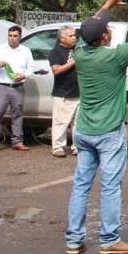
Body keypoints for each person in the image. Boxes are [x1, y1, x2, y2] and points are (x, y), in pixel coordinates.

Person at [65, 0, 128, 254]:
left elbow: (89, 28)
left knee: (81, 184)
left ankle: (74, 240)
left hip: (84, 129)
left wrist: (109, 2)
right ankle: (109, 240)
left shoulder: (81, 53)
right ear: (104, 37)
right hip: (108, 132)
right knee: (110, 185)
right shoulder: (114, 57)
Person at [0, 24, 33, 151]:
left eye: (15, 36)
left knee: (17, 114)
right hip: (2, 86)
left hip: (17, 86)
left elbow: (31, 67)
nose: (12, 38)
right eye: (10, 36)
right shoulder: (0, 49)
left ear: (20, 37)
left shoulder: (26, 51)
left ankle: (17, 141)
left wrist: (24, 75)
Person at [49, 25, 80, 157]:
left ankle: (77, 146)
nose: (74, 38)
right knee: (61, 122)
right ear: (62, 38)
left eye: (74, 35)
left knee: (78, 123)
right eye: (70, 36)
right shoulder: (56, 52)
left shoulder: (77, 49)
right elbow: (56, 70)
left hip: (78, 93)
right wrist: (73, 62)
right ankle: (58, 147)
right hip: (63, 94)